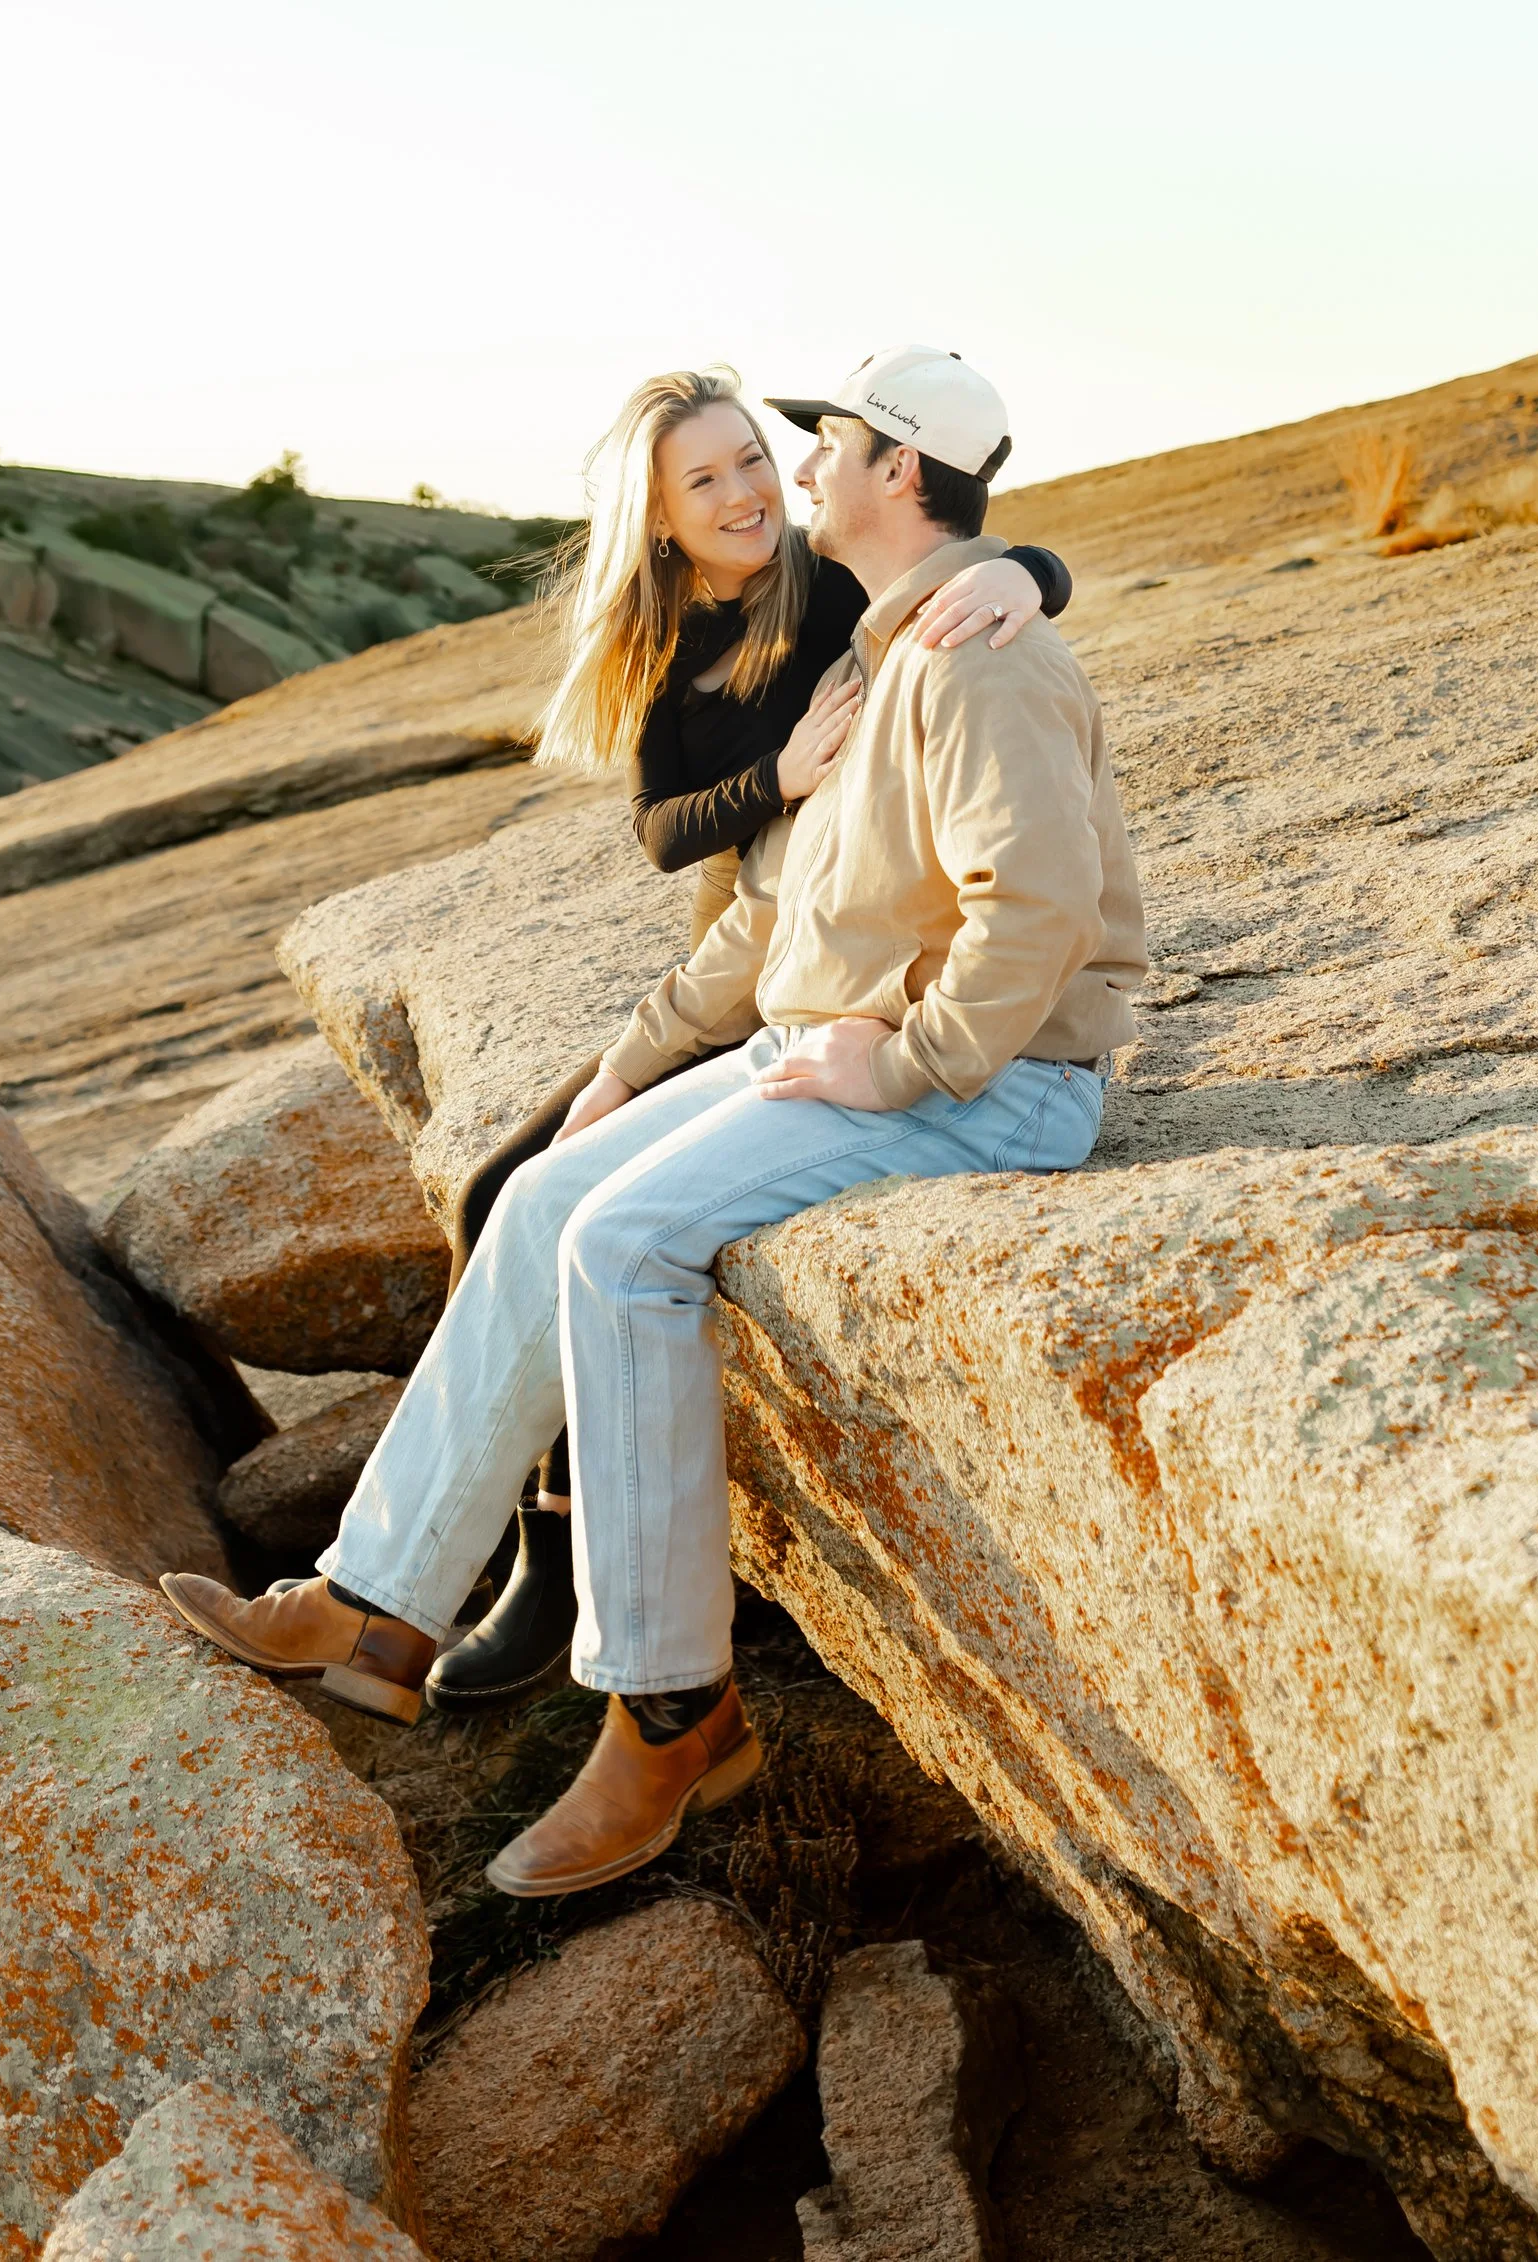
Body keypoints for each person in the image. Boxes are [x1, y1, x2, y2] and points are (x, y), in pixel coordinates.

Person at [160, 345, 1145, 1901]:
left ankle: (672, 1712)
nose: (794, 472)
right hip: (837, 1035)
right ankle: (377, 1602)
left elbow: (1044, 905)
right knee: (554, 1197)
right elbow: (775, 911)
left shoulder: (977, 652)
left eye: (821, 446)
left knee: (625, 1244)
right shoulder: (878, 650)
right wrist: (626, 1068)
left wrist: (905, 1064)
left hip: (991, 1084)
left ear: (900, 471)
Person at [419, 367, 1073, 1706]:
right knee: (508, 1189)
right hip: (748, 947)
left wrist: (1031, 577)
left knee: (596, 1222)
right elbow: (667, 830)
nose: (751, 490)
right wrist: (772, 780)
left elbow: (961, 551)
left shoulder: (831, 591)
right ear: (659, 519)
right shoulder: (673, 655)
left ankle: (566, 1568)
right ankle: (523, 1546)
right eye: (703, 479)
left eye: (762, 462)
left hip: (801, 966)